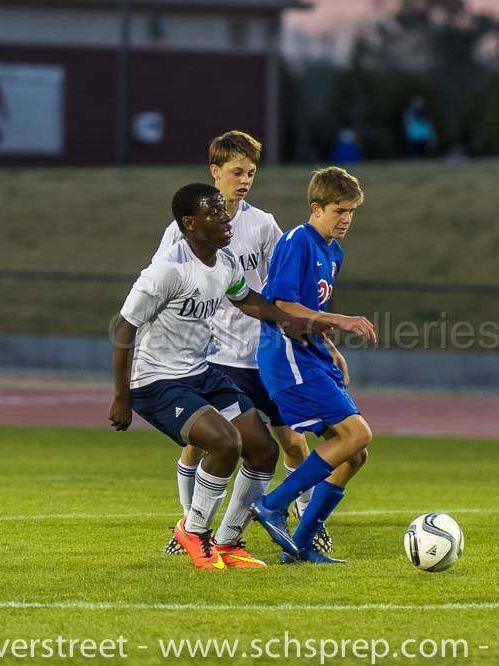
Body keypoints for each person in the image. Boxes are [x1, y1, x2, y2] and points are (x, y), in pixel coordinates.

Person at [108, 183, 323, 571]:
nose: (226, 219)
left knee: (264, 449)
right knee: (225, 443)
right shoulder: (166, 271)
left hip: (201, 373)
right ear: (190, 223)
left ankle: (227, 542)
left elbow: (246, 299)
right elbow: (124, 330)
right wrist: (122, 398)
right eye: (215, 213)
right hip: (157, 381)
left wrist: (287, 320)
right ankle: (194, 531)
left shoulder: (224, 263)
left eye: (224, 211)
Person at [154, 131, 332, 557]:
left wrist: (304, 325)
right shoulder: (182, 230)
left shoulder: (263, 225)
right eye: (237, 171)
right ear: (215, 172)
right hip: (214, 355)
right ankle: (190, 528)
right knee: (201, 443)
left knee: (292, 441)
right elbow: (161, 282)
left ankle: (308, 525)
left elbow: (285, 283)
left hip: (265, 355)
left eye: (251, 172)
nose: (245, 179)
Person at [251, 167, 377, 565]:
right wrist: (340, 322)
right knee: (356, 435)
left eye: (352, 211)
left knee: (355, 455)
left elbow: (313, 311)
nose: (347, 219)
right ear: (316, 207)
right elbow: (284, 305)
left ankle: (301, 545)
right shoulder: (297, 242)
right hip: (286, 356)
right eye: (340, 210)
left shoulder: (332, 251)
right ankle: (272, 506)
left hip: (311, 355)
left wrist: (331, 349)